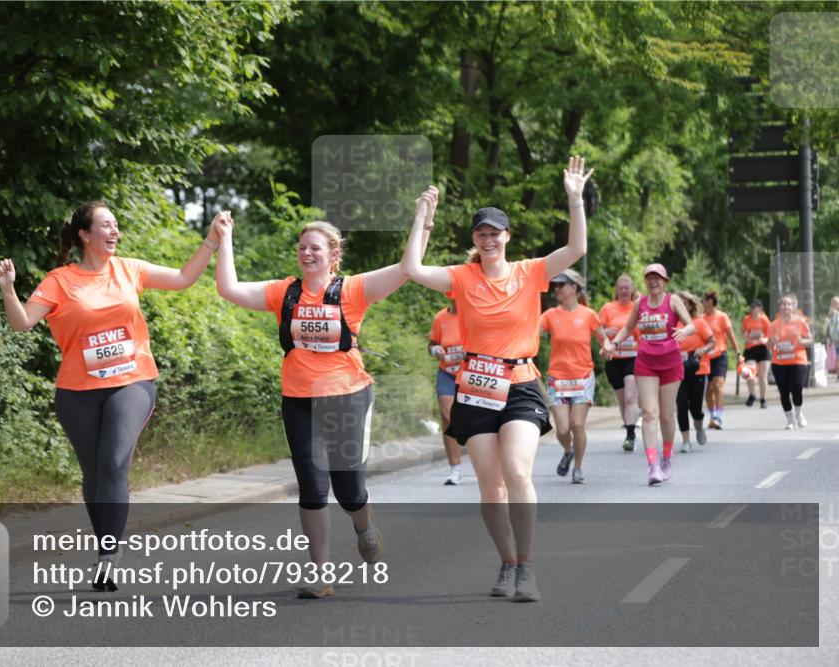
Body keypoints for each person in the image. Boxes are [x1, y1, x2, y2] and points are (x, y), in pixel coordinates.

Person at [215, 187, 438, 599]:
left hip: (348, 396)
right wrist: (224, 239)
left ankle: (363, 523)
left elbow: (408, 269)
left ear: (334, 255)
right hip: (299, 399)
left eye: (315, 248)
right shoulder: (285, 292)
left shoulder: (352, 290)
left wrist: (422, 218)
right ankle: (319, 573)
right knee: (313, 487)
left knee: (348, 490)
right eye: (302, 247)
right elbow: (229, 289)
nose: (307, 253)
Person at [0, 201, 223, 591]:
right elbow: (21, 323)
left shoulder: (128, 269)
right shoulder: (60, 281)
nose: (114, 232)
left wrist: (211, 241)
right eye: (106, 226)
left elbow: (184, 278)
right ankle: (105, 544)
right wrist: (7, 288)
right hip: (77, 390)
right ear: (85, 235)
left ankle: (108, 557)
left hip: (132, 380)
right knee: (94, 475)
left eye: (116, 225)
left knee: (115, 462)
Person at [402, 155, 595, 602]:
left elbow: (576, 250)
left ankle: (526, 566)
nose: (488, 239)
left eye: (495, 232)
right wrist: (421, 220)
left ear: (507, 237)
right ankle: (507, 561)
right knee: (492, 487)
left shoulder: (530, 272)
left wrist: (575, 200)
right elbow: (412, 269)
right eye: (481, 233)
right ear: (475, 239)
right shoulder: (462, 277)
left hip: (521, 382)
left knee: (517, 470)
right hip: (476, 386)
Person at [603, 264, 694, 486]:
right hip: (646, 362)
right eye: (649, 278)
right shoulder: (639, 303)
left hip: (671, 363)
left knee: (666, 415)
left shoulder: (672, 301)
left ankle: (667, 458)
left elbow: (691, 325)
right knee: (650, 413)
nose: (653, 282)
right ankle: (652, 465)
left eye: (658, 278)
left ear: (665, 281)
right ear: (645, 281)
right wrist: (613, 344)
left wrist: (684, 331)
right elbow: (627, 327)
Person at [540, 269, 606, 484]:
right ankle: (568, 450)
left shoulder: (588, 314)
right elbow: (532, 332)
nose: (556, 289)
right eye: (555, 285)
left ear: (574, 288)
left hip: (583, 376)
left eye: (561, 285)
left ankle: (577, 468)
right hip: (558, 378)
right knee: (562, 429)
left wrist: (608, 347)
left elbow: (603, 339)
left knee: (577, 425)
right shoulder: (550, 315)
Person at [599, 274, 640, 451]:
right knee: (623, 400)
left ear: (632, 290)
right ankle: (629, 427)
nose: (624, 291)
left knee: (631, 396)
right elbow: (596, 330)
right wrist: (605, 332)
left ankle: (630, 435)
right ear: (616, 290)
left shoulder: (637, 307)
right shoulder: (608, 308)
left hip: (634, 358)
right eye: (621, 288)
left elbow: (643, 332)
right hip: (614, 360)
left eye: (627, 288)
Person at [429, 300, 466, 485]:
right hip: (447, 374)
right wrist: (436, 350)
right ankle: (455, 469)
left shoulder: (474, 313)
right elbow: (432, 344)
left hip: (471, 374)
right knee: (447, 415)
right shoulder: (441, 317)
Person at [674, 292, 716, 452]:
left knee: (696, 407)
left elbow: (713, 342)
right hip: (678, 370)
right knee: (681, 405)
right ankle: (686, 441)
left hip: (698, 369)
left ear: (690, 306)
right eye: (679, 303)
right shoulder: (673, 323)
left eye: (684, 303)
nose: (681, 307)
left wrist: (702, 349)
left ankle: (699, 427)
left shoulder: (699, 322)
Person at [769, 293, 813, 429]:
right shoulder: (774, 324)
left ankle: (799, 413)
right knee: (784, 392)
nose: (786, 306)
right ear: (779, 307)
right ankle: (790, 420)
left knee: (797, 387)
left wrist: (802, 341)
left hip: (798, 360)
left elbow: (809, 339)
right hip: (779, 362)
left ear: (793, 306)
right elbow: (768, 345)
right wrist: (772, 341)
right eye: (783, 304)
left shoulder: (800, 322)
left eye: (788, 304)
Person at [701, 291, 741, 429]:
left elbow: (731, 336)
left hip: (720, 355)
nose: (701, 304)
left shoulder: (722, 317)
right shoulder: (701, 318)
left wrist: (738, 354)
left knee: (718, 385)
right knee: (708, 390)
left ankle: (718, 417)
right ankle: (712, 415)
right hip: (705, 358)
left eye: (703, 301)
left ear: (710, 302)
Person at [742, 299, 773, 408]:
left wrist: (764, 339)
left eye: (755, 307)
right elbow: (744, 334)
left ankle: (763, 399)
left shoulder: (764, 320)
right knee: (749, 374)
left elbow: (770, 333)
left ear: (760, 309)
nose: (752, 309)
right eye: (751, 307)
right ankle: (752, 395)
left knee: (762, 376)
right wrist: (749, 339)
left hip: (763, 349)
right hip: (750, 349)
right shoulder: (746, 319)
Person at [825, 296, 839, 379]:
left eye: (837, 303)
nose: (836, 305)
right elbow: (826, 328)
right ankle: (838, 375)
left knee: (838, 357)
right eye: (835, 303)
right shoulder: (831, 314)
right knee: (837, 357)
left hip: (835, 339)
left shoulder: (832, 313)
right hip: (836, 339)